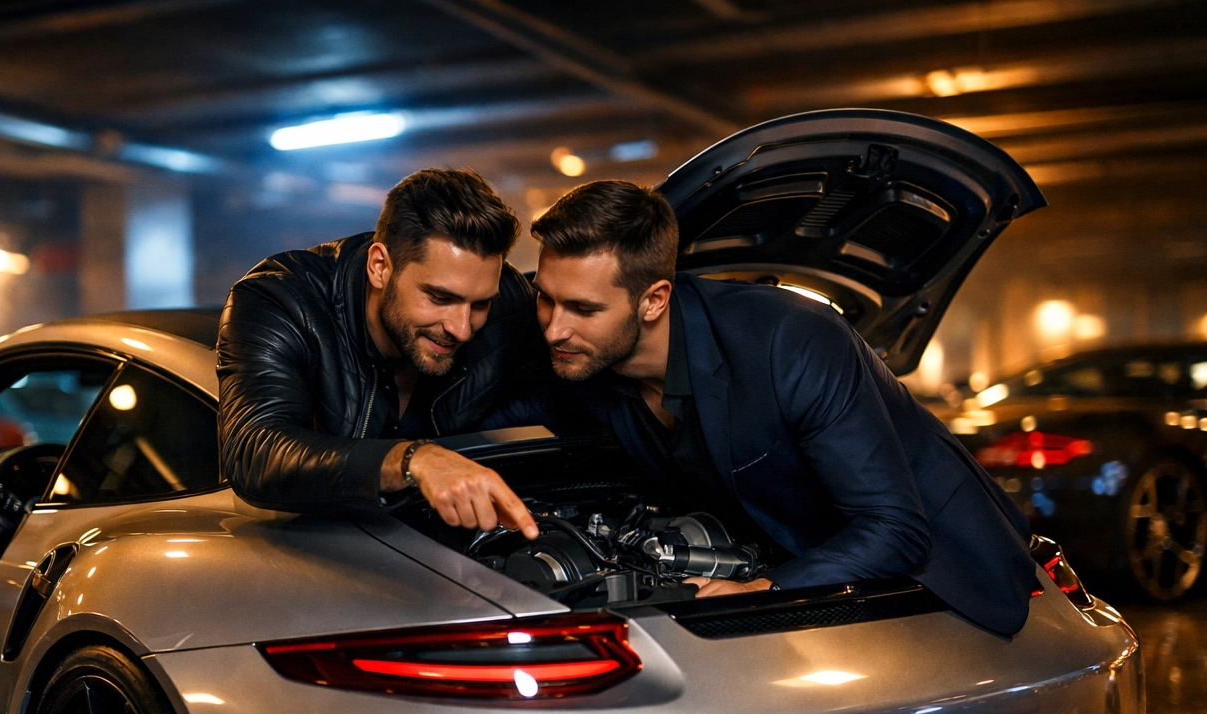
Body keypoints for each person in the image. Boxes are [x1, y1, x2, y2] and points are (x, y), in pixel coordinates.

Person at [529, 179, 1037, 635]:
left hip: (939, 590)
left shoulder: (791, 340)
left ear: (655, 299)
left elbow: (894, 530)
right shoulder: (583, 359)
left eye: (583, 309)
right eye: (546, 299)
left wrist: (761, 592)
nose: (555, 328)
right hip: (788, 586)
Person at [217, 168, 540, 539]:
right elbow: (256, 452)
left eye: (479, 304)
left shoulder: (509, 306)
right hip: (304, 563)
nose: (462, 328)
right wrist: (413, 459)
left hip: (452, 563)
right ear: (380, 267)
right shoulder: (280, 302)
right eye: (440, 298)